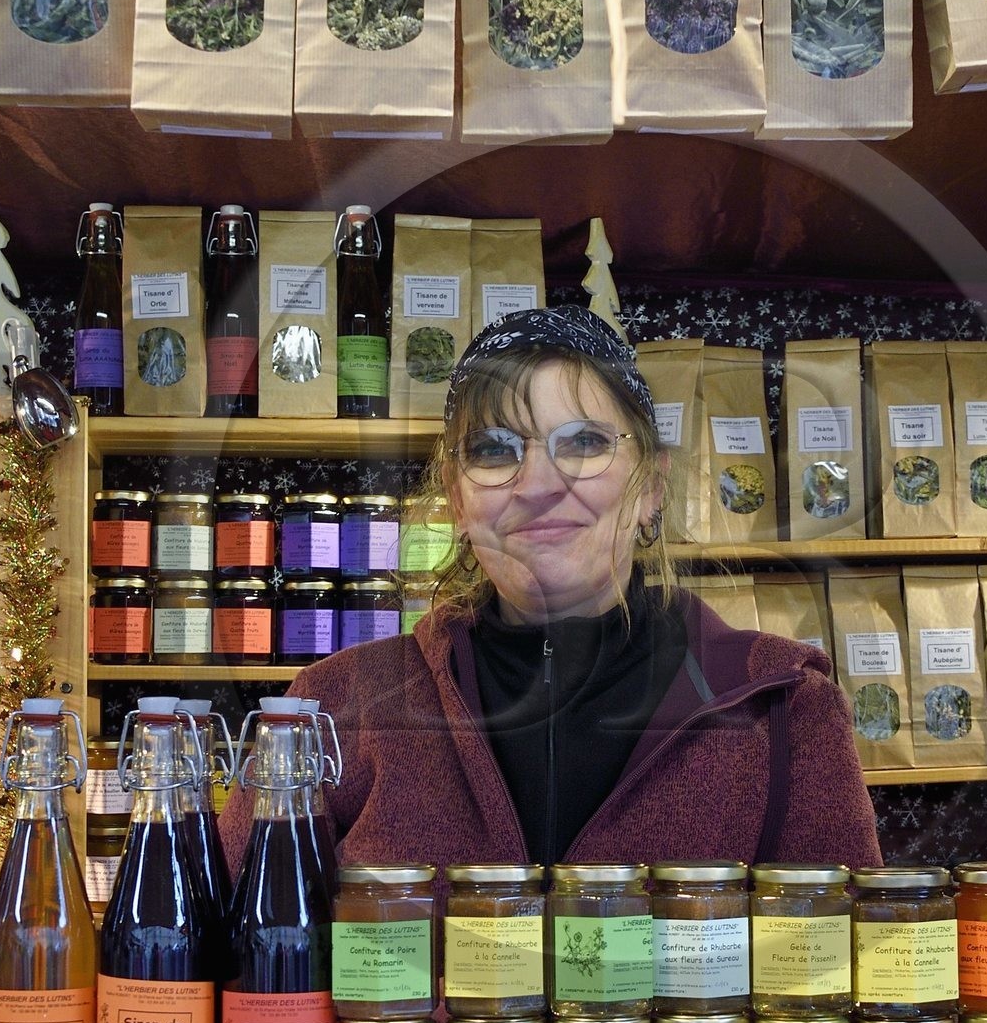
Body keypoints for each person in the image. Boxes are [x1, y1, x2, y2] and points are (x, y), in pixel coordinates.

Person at [220, 306, 879, 874]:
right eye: (493, 449)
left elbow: (843, 970)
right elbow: (227, 955)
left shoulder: (785, 707)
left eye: (584, 442)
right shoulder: (327, 710)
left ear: (650, 487)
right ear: (456, 498)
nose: (538, 485)